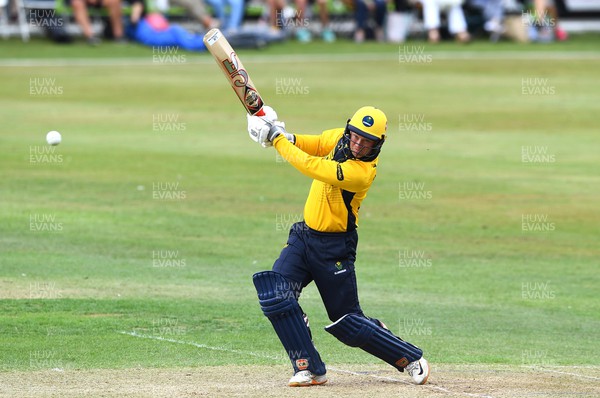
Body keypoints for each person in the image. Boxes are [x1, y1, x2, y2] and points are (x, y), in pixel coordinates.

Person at [247, 106, 430, 387]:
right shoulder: (340, 139)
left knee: (347, 323)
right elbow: (317, 144)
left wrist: (277, 139)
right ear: (349, 131)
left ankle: (408, 357)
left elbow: (313, 166)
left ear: (377, 144)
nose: (358, 145)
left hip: (334, 248)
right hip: (303, 237)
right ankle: (309, 367)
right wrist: (281, 133)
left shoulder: (361, 172)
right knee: (276, 296)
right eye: (355, 137)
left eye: (366, 142)